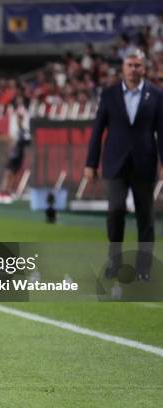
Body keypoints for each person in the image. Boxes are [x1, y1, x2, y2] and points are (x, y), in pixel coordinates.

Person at [85, 50, 163, 282]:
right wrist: (91, 163)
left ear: (144, 69)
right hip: (115, 163)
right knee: (115, 210)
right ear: (123, 68)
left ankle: (144, 267)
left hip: (145, 163)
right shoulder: (108, 95)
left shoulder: (156, 95)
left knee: (145, 218)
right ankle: (114, 262)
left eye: (138, 65)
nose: (133, 69)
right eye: (130, 65)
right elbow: (98, 130)